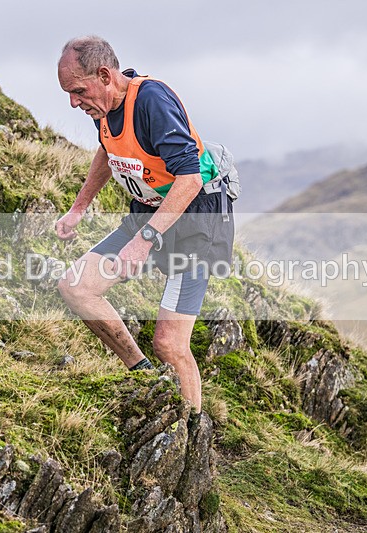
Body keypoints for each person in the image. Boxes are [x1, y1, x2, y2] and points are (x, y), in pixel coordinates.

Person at [55, 36, 234, 414]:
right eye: (68, 94)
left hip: (195, 220)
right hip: (148, 212)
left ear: (104, 75)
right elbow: (108, 150)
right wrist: (79, 207)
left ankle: (190, 431)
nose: (73, 102)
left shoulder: (151, 101)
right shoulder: (102, 109)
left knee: (170, 344)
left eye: (78, 91)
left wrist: (144, 240)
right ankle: (142, 372)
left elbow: (190, 178)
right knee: (76, 287)